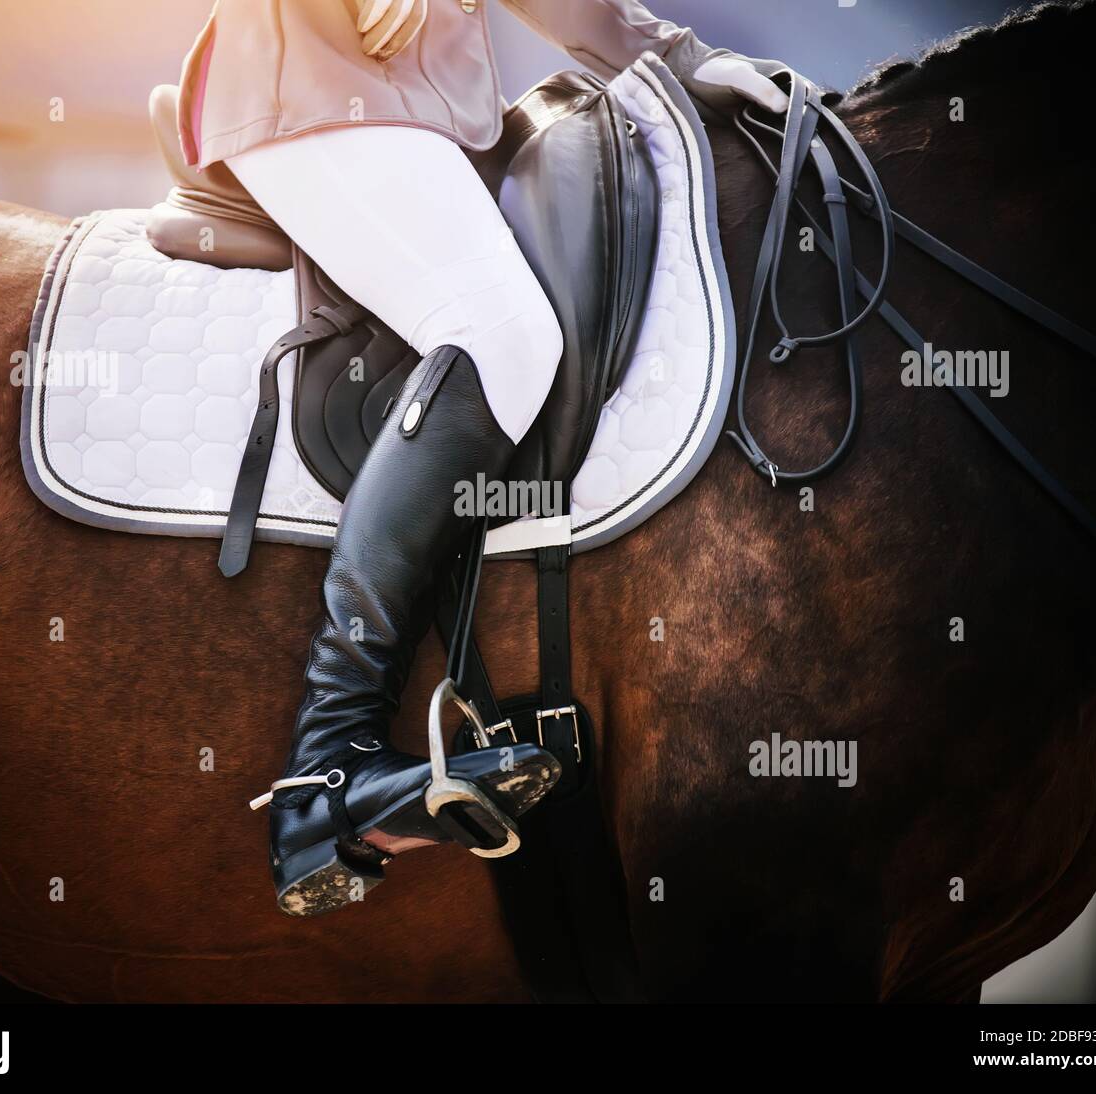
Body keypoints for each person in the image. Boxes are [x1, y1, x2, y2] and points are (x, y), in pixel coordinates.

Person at [176, 0, 787, 916]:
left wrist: (674, 54)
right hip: (303, 88)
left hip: (436, 112)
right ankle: (328, 765)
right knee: (500, 333)